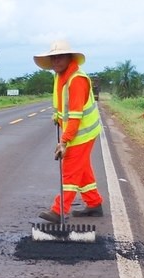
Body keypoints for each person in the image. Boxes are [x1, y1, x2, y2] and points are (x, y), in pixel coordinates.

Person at [33, 40, 104, 224]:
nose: (56, 61)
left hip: (83, 132)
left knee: (71, 171)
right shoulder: (60, 76)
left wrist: (64, 142)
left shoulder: (76, 80)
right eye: (53, 57)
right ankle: (94, 203)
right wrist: (57, 115)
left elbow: (75, 116)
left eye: (60, 57)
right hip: (77, 131)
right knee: (83, 169)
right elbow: (62, 105)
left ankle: (58, 210)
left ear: (69, 58)